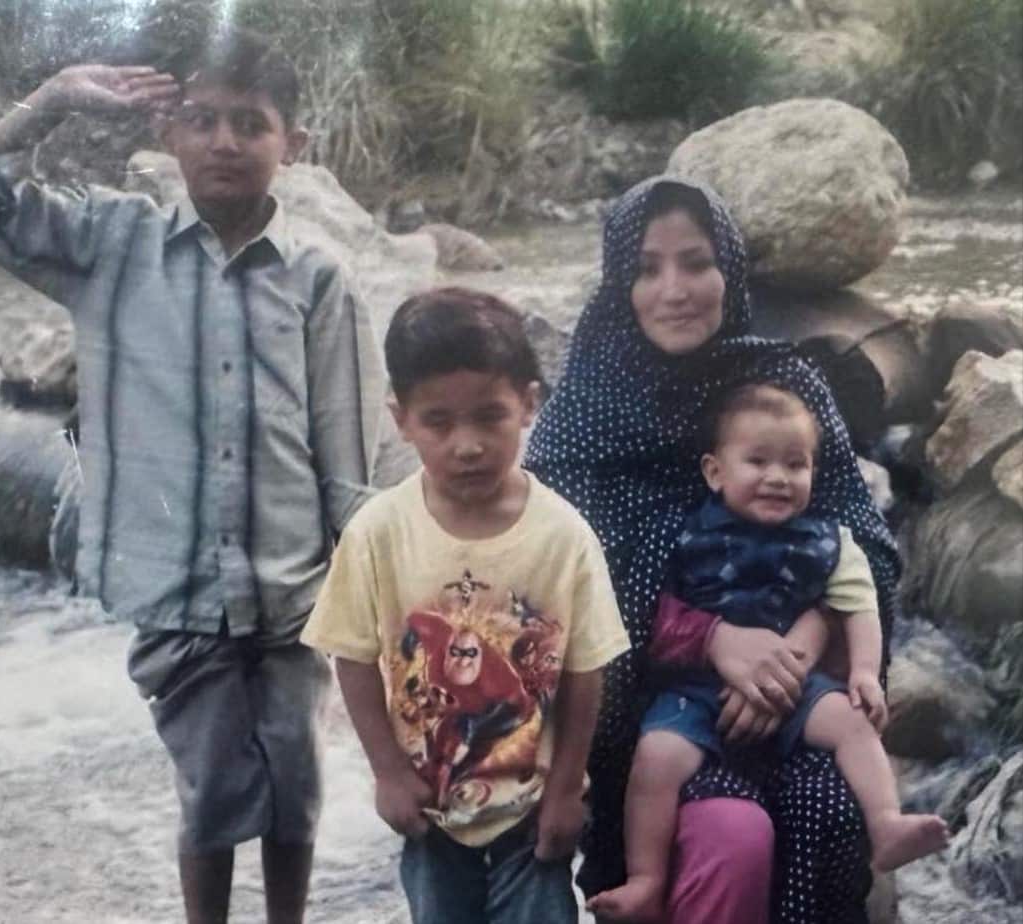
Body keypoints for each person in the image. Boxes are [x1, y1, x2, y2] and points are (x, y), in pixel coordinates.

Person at [0, 31, 383, 924]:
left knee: (295, 786)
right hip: (175, 590)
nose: (224, 141)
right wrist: (55, 97)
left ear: (291, 144)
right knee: (210, 792)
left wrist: (362, 599)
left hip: (294, 591)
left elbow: (346, 453)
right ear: (167, 133)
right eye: (201, 119)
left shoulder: (317, 280)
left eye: (250, 124)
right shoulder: (110, 245)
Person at [524, 177, 904, 924]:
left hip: (799, 697)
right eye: (647, 268)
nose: (675, 290)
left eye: (696, 262)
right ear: (619, 283)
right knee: (731, 840)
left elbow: (863, 544)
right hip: (651, 723)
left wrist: (794, 654)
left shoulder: (786, 386)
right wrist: (712, 640)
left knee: (833, 812)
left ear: (729, 268)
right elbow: (562, 591)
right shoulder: (581, 414)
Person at [301, 287, 630, 924]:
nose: (468, 445)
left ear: (528, 404)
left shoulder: (562, 536)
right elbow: (354, 657)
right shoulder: (378, 533)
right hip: (431, 811)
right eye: (439, 422)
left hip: (531, 810)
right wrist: (388, 773)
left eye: (489, 416)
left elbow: (585, 670)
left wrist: (566, 789)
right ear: (401, 419)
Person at [587, 382, 948, 922]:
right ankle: (646, 879)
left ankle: (887, 823)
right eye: (758, 462)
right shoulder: (682, 535)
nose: (778, 477)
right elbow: (646, 613)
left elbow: (859, 605)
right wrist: (708, 640)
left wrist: (865, 673)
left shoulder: (831, 541)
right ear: (715, 472)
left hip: (798, 686)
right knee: (656, 759)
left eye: (795, 465)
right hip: (696, 690)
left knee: (853, 722)